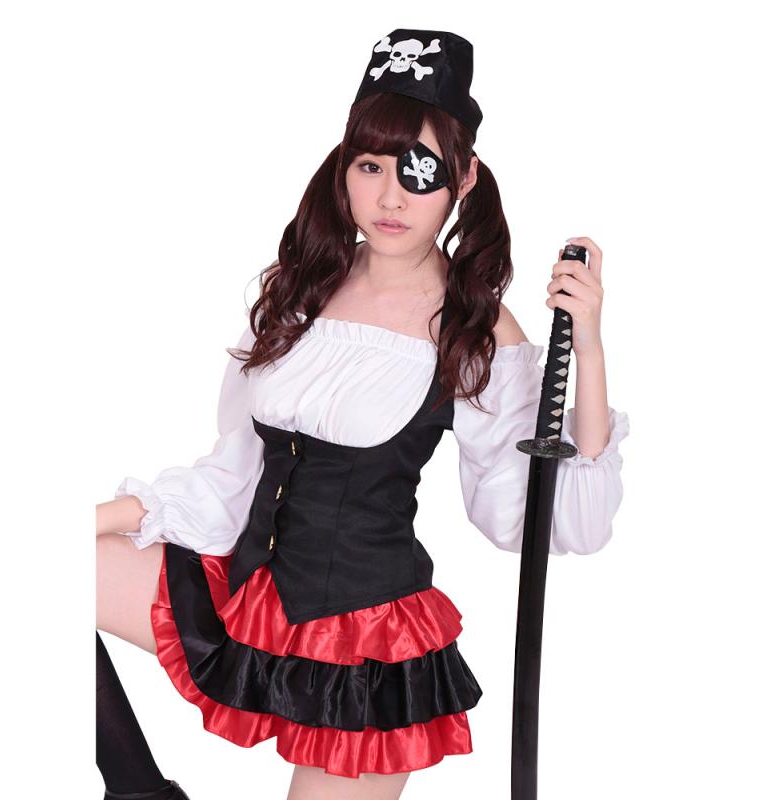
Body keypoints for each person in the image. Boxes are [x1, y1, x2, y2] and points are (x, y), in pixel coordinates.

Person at [95, 28, 629, 800]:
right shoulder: (300, 289)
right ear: (343, 168)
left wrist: (591, 352)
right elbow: (234, 473)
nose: (390, 197)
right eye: (371, 165)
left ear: (463, 177)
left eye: (419, 171)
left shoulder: (476, 330)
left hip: (366, 649)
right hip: (250, 598)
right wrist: (93, 518)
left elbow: (544, 517)